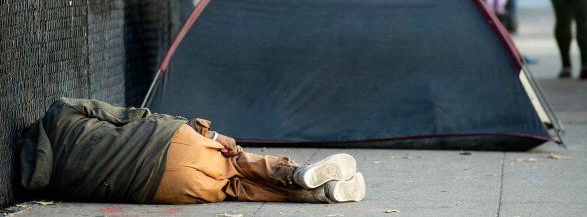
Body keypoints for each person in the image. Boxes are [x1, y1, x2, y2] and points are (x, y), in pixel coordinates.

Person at [19, 98, 366, 204]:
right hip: (169, 144)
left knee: (231, 188)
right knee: (235, 161)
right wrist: (210, 132)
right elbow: (132, 116)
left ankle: (319, 194)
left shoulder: (43, 183)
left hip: (158, 188)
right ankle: (293, 173)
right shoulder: (62, 112)